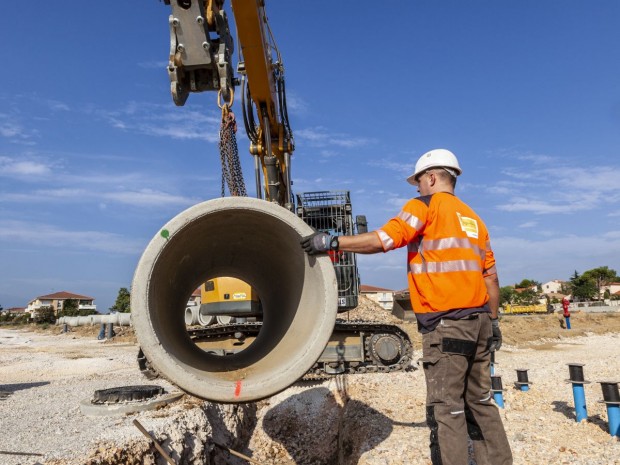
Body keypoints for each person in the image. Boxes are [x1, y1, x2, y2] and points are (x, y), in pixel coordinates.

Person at [301, 148, 513, 465]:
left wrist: (331, 242)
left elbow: (385, 239)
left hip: (447, 325)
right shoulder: (474, 220)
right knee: (480, 400)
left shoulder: (423, 206)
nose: (416, 188)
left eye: (418, 182)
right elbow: (491, 279)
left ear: (431, 178)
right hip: (481, 322)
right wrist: (493, 323)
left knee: (448, 407)